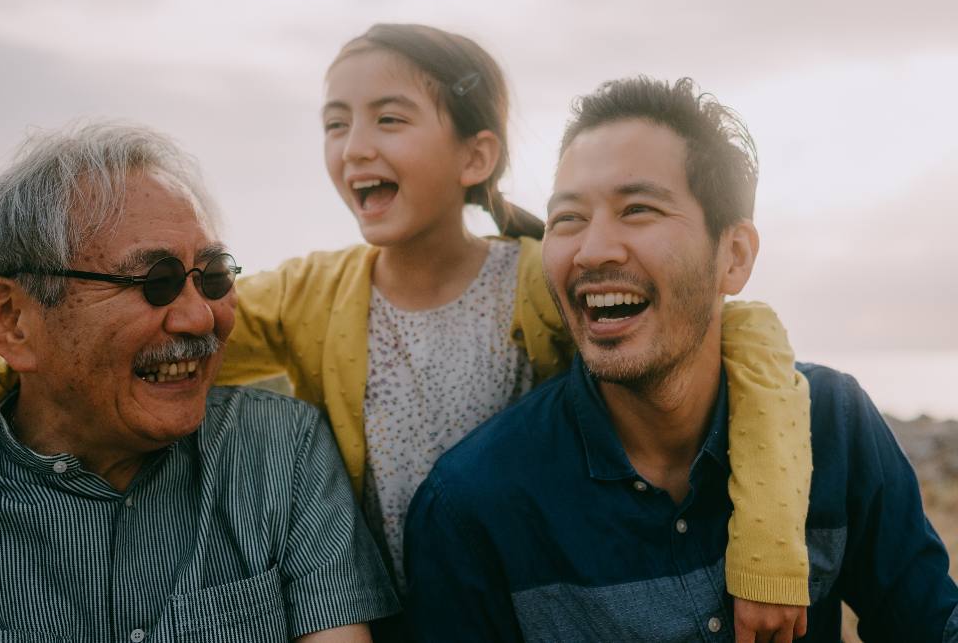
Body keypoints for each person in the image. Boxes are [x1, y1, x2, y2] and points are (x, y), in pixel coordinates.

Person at [0, 25, 810, 635]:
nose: (354, 145)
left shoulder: (544, 279)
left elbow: (749, 340)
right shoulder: (313, 295)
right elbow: (110, 335)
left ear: (477, 154)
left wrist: (768, 554)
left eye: (389, 117)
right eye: (334, 121)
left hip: (523, 611)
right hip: (363, 616)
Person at [0, 123, 398, 641]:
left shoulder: (279, 450)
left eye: (213, 275)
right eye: (153, 282)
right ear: (12, 319)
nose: (200, 315)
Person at [403, 76, 958, 642]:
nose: (593, 249)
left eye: (638, 209)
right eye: (568, 218)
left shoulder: (833, 425)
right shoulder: (472, 506)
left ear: (734, 256)